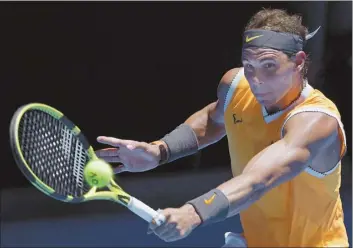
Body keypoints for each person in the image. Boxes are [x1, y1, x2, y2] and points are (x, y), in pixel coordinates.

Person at [95, 9, 348, 247]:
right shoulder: (237, 86)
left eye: (269, 66)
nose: (256, 81)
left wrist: (194, 212)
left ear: (299, 62)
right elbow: (215, 118)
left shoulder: (317, 121)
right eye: (249, 66)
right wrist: (160, 150)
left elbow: (257, 180)